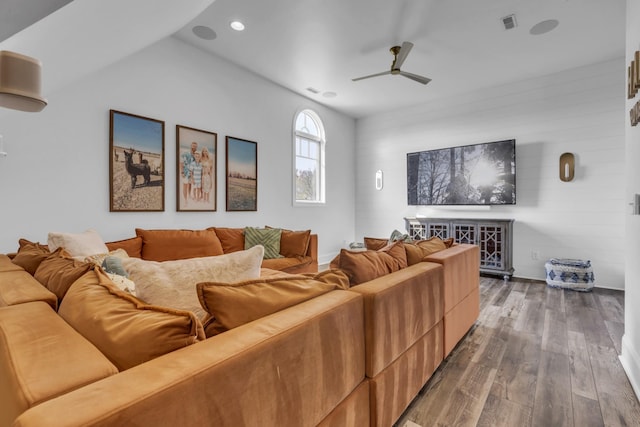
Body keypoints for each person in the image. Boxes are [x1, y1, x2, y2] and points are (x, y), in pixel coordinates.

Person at [180, 141, 198, 207]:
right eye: (193, 146)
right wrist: (182, 172)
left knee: (190, 184)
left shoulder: (195, 155)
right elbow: (181, 163)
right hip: (185, 172)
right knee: (185, 185)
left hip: (192, 173)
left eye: (195, 146)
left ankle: (189, 195)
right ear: (191, 146)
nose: (194, 147)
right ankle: (185, 200)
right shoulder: (186, 153)